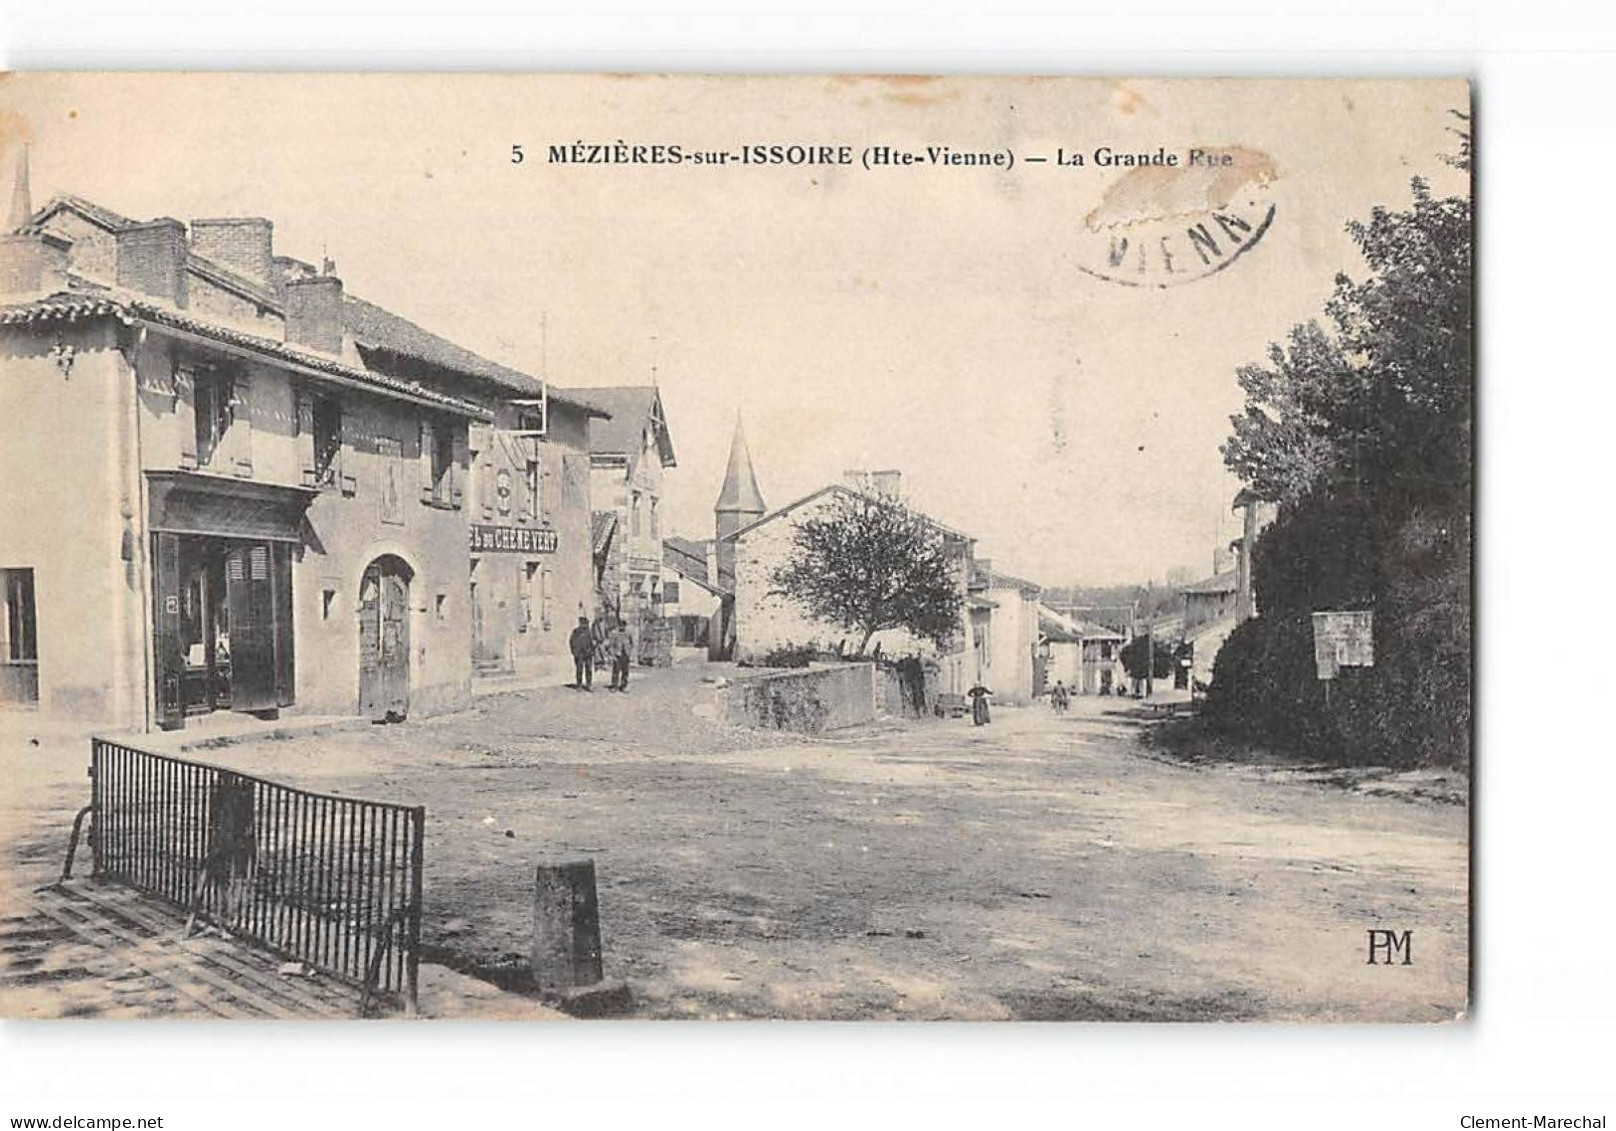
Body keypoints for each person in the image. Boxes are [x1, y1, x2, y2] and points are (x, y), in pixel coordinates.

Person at [567, 615, 594, 691]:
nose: (585, 625)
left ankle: (588, 685)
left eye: (586, 623)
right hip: (579, 654)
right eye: (583, 623)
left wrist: (592, 651)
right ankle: (579, 685)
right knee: (579, 670)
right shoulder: (576, 632)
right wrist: (574, 652)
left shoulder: (589, 632)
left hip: (588, 654)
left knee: (588, 669)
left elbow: (592, 642)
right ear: (580, 623)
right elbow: (571, 642)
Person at [607, 619, 633, 692]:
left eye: (624, 625)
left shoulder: (628, 634)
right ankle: (614, 686)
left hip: (625, 655)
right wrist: (613, 655)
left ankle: (623, 686)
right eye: (621, 625)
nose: (622, 627)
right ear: (618, 626)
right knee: (616, 671)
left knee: (625, 672)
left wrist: (629, 652)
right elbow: (611, 645)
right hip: (617, 655)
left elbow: (631, 643)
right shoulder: (614, 633)